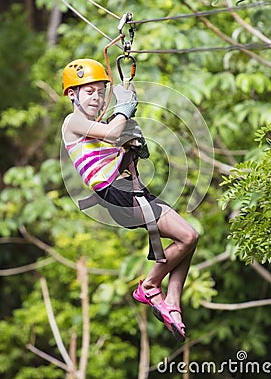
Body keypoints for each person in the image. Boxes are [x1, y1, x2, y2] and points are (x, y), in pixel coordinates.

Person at [61, 58, 199, 342]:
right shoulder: (74, 121)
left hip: (128, 190)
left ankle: (172, 302)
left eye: (100, 91)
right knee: (186, 237)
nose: (96, 97)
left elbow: (114, 140)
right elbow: (113, 134)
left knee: (188, 238)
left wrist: (131, 145)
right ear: (72, 95)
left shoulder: (95, 125)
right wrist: (123, 111)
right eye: (89, 92)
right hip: (117, 194)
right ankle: (149, 286)